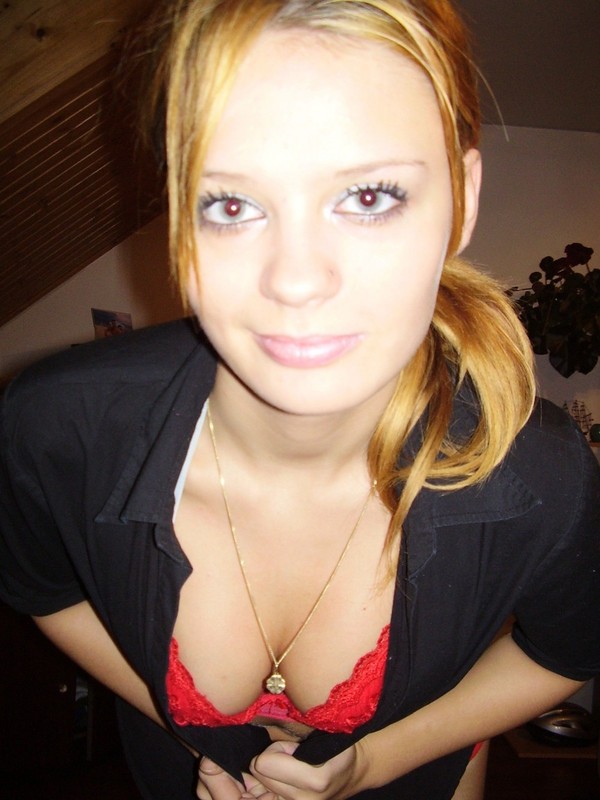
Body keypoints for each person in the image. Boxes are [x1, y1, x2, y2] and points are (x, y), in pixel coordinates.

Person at [1, 0, 599, 798]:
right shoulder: (56, 428)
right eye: (231, 204)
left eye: (370, 196)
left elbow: (566, 651)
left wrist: (376, 762)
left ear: (462, 198)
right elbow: (43, 590)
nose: (296, 280)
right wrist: (190, 727)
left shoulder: (542, 474)